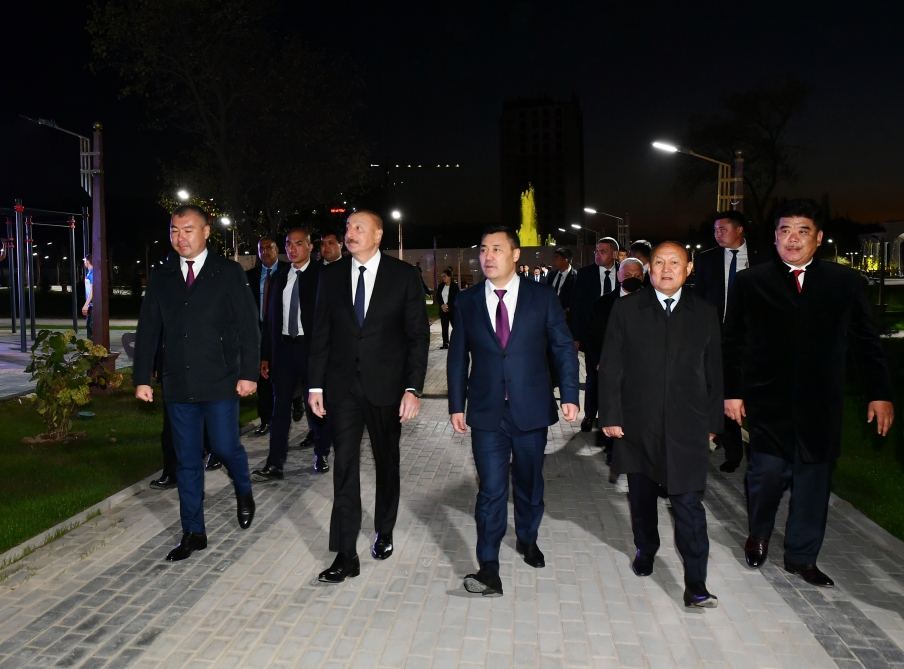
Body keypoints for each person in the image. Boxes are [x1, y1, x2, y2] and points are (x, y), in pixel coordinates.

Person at [723, 198, 894, 588]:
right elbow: (732, 342)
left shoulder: (845, 283)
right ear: (775, 236)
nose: (793, 239)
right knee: (765, 475)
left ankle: (802, 558)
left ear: (818, 238)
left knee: (814, 484)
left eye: (802, 231)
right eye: (785, 230)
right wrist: (732, 392)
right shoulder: (752, 282)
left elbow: (867, 343)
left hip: (821, 405)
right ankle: (759, 534)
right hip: (769, 402)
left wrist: (879, 393)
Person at [448, 226, 579, 597]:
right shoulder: (468, 300)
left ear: (516, 254)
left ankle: (527, 537)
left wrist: (569, 393)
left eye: (497, 249)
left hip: (531, 408)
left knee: (528, 481)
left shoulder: (542, 298)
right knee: (490, 489)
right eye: (483, 250)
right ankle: (488, 566)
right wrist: (457, 404)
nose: (488, 257)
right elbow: (458, 356)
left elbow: (563, 347)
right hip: (487, 412)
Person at [308, 210, 429, 583]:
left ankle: (385, 528)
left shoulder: (404, 276)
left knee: (386, 461)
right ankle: (346, 553)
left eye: (359, 227)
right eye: (348, 227)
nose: (351, 233)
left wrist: (413, 388)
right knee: (344, 466)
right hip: (342, 389)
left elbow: (417, 338)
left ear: (378, 235)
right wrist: (315, 385)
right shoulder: (329, 277)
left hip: (387, 389)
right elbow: (321, 334)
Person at [600, 242, 723, 608]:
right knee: (641, 496)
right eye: (659, 262)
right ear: (649, 269)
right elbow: (612, 365)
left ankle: (696, 583)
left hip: (688, 425)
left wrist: (713, 422)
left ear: (688, 270)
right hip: (638, 424)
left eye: (675, 263)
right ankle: (646, 548)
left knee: (688, 503)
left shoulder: (704, 311)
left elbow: (715, 370)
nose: (666, 269)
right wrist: (610, 414)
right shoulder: (626, 309)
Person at [133, 204, 259, 561]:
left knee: (224, 446)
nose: (180, 237)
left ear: (206, 232)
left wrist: (248, 373)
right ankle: (193, 532)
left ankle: (244, 489)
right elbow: (148, 332)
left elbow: (250, 327)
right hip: (178, 383)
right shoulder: (162, 277)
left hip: (220, 379)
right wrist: (142, 377)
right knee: (187, 461)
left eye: (188, 230)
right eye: (174, 230)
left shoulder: (229, 272)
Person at [254, 227, 330, 479]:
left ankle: (321, 453)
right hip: (284, 350)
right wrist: (266, 355)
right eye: (288, 243)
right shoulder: (279, 277)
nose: (292, 248)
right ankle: (275, 463)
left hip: (312, 351)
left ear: (310, 247)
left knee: (315, 406)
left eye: (299, 243)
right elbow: (270, 321)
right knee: (280, 408)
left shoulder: (323, 276)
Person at [692, 210, 763, 472]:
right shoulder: (707, 259)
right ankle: (734, 453)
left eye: (723, 229)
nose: (717, 234)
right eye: (715, 230)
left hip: (755, 340)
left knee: (755, 396)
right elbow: (699, 298)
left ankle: (759, 453)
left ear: (740, 229)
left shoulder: (762, 258)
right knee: (724, 393)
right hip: (719, 338)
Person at [587, 257, 645, 489]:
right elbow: (593, 336)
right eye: (627, 273)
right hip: (613, 370)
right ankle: (615, 454)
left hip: (643, 374)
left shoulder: (653, 302)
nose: (632, 278)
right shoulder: (604, 303)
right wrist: (599, 362)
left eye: (637, 275)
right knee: (613, 413)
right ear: (619, 275)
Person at [570, 236, 620, 431]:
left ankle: (613, 415)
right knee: (593, 376)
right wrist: (575, 336)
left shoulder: (625, 272)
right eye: (596, 251)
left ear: (614, 254)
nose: (597, 255)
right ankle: (590, 415)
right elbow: (576, 307)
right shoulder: (584, 274)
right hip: (593, 337)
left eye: (603, 251)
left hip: (619, 334)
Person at [246, 237, 284, 437]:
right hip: (259, 332)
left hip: (282, 333)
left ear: (277, 249)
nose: (266, 251)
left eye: (270, 247)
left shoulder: (288, 271)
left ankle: (293, 403)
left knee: (284, 376)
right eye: (262, 248)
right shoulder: (250, 276)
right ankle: (266, 420)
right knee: (263, 379)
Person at [435, 268, 459, 349]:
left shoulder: (455, 286)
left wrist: (448, 306)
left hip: (452, 310)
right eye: (442, 276)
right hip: (443, 310)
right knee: (444, 327)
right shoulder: (441, 286)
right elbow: (438, 296)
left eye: (444, 276)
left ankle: (458, 342)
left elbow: (456, 298)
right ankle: (445, 343)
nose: (443, 278)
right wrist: (442, 305)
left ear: (449, 277)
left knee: (456, 327)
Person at [82, 257, 94, 339]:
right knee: (89, 325)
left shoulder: (93, 273)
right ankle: (90, 347)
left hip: (93, 304)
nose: (84, 262)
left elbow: (93, 291)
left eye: (85, 260)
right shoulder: (89, 273)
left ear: (88, 261)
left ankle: (95, 347)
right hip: (90, 304)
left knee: (91, 326)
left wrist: (86, 304)